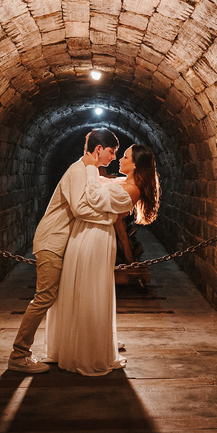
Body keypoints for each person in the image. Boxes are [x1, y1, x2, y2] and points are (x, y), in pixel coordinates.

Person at [7, 129, 127, 373]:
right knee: (44, 298)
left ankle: (85, 344)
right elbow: (81, 208)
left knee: (59, 299)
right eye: (112, 152)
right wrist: (110, 217)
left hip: (61, 242)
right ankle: (19, 355)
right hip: (52, 241)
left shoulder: (87, 170)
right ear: (98, 149)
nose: (114, 157)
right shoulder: (77, 171)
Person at [44, 144, 162, 376]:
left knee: (89, 291)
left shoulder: (132, 189)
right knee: (75, 288)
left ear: (135, 164)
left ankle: (88, 353)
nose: (120, 159)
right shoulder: (124, 182)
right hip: (86, 234)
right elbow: (102, 189)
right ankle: (71, 347)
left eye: (125, 156)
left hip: (95, 239)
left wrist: (90, 169)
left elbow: (94, 198)